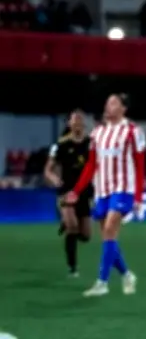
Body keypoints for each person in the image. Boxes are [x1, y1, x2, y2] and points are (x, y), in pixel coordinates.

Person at [66, 94, 144, 297]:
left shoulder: (133, 132)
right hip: (102, 190)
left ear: (123, 109)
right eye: (108, 102)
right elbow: (91, 165)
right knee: (109, 237)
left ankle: (102, 283)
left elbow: (140, 165)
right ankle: (127, 275)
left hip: (123, 189)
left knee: (109, 229)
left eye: (114, 103)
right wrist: (76, 190)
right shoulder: (97, 133)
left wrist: (138, 196)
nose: (108, 106)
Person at [44, 110, 92, 277]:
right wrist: (54, 178)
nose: (78, 122)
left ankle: (66, 224)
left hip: (84, 192)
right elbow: (48, 170)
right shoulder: (60, 145)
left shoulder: (91, 143)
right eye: (74, 120)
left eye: (80, 119)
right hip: (66, 191)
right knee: (73, 226)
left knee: (86, 236)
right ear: (69, 124)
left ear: (84, 124)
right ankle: (72, 267)